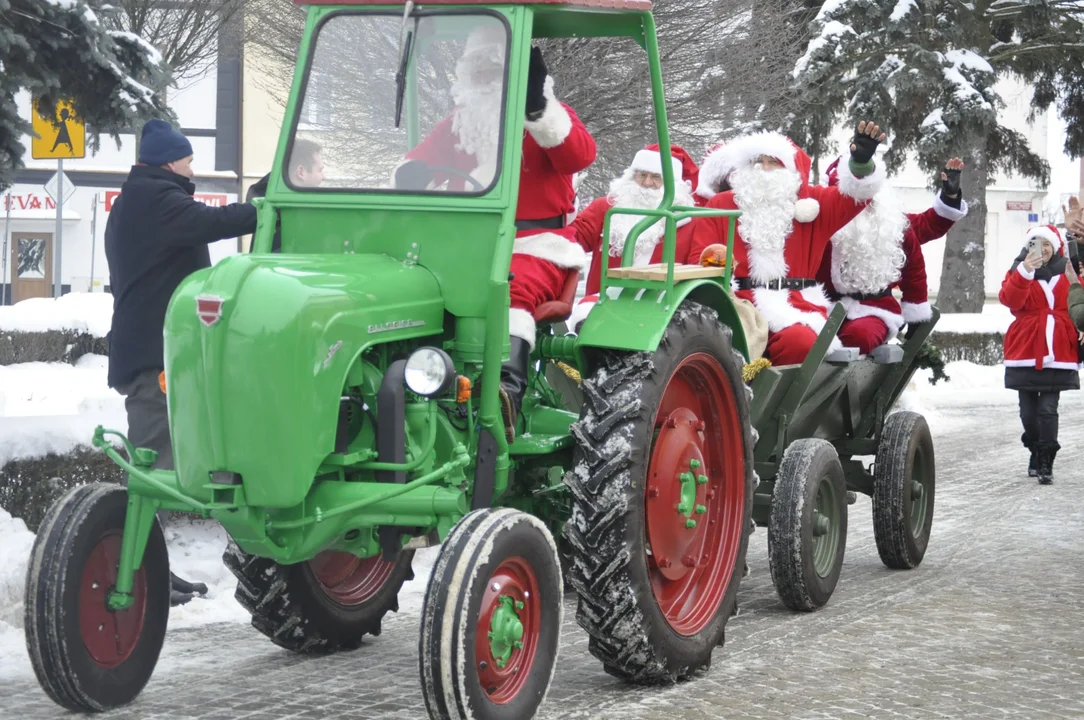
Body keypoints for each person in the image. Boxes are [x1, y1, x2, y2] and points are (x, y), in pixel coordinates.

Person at [394, 31, 596, 442]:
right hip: (466, 244)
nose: (488, 80)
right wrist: (410, 175)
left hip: (536, 246)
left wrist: (539, 109)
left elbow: (579, 155)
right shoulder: (458, 125)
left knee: (508, 287)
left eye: (496, 72)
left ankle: (505, 390)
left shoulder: (547, 121)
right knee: (407, 287)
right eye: (480, 71)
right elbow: (414, 165)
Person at [105, 119, 259, 604]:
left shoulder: (139, 200)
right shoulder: (156, 200)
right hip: (152, 355)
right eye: (189, 162)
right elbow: (212, 223)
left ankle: (155, 571)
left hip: (155, 350)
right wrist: (261, 208)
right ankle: (133, 575)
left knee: (161, 467)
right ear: (171, 162)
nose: (192, 170)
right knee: (149, 470)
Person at [687, 123, 888, 365]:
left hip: (795, 306)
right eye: (757, 162)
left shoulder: (812, 206)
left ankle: (778, 401)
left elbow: (854, 197)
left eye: (773, 162)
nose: (764, 169)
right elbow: (700, 258)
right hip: (739, 304)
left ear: (790, 171)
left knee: (801, 343)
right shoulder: (721, 205)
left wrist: (861, 164)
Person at [816, 157, 968, 354]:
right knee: (806, 338)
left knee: (858, 338)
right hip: (822, 308)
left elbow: (927, 228)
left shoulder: (889, 224)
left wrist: (950, 197)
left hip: (874, 309)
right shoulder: (819, 225)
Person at [567, 143, 700, 330]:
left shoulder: (689, 222)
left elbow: (699, 266)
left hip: (662, 306)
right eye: (642, 175)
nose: (646, 183)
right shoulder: (605, 208)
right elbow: (574, 238)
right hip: (604, 300)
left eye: (656, 177)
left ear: (673, 184)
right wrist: (566, 202)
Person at [999, 225, 1080, 485]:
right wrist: (1024, 272)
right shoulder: (1019, 270)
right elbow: (1010, 301)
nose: (1042, 249)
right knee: (1027, 413)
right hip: (1025, 345)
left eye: (1047, 244)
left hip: (1058, 347)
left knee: (1047, 409)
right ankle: (1034, 448)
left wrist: (1081, 326)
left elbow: (1079, 301)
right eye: (1036, 243)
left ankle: (1046, 460)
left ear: (1055, 247)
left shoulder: (1070, 270)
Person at [245, 138, 325, 252]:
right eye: (320, 170)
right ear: (301, 172)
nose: (323, 177)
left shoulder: (271, 202)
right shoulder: (285, 211)